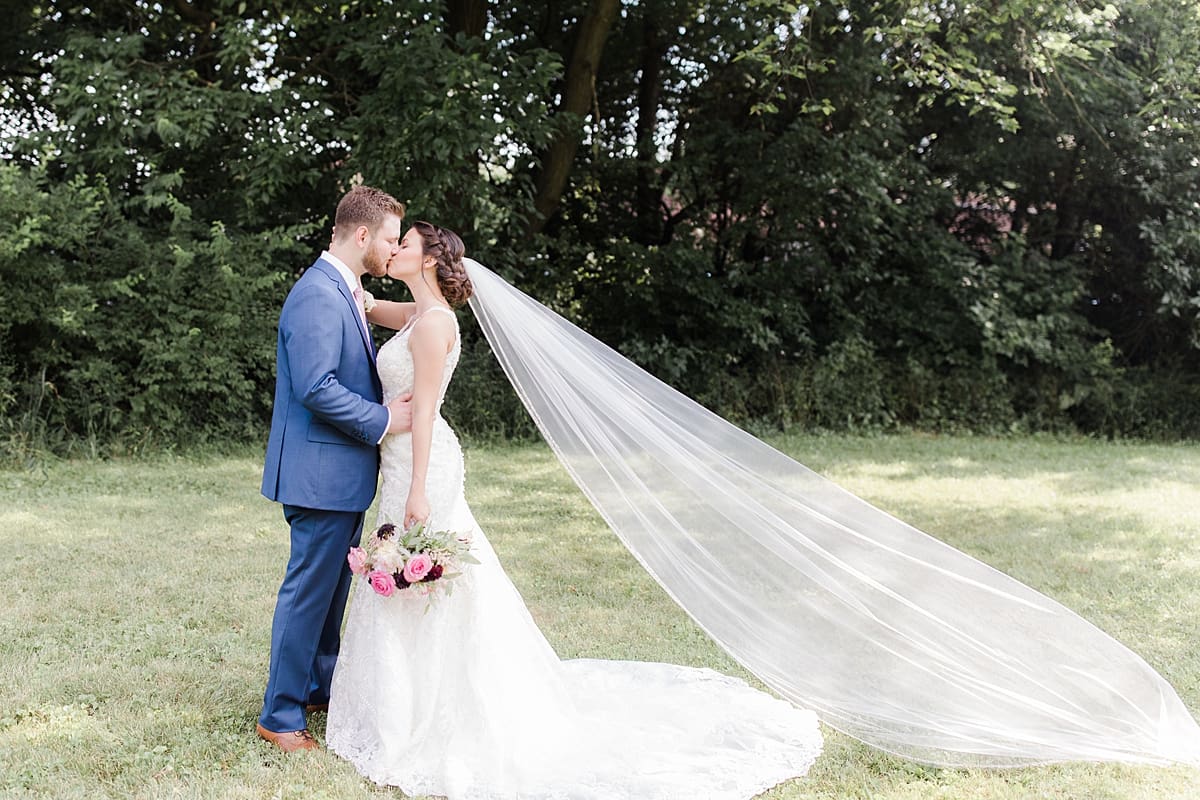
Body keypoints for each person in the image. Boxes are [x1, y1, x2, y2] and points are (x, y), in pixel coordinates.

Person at [324, 221, 823, 797]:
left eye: (405, 245)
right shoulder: (414, 314)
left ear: (431, 261)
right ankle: (403, 701)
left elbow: (428, 410)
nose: (395, 250)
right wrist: (342, 271)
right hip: (401, 461)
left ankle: (437, 709)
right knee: (419, 580)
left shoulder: (435, 324)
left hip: (423, 465)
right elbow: (367, 303)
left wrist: (416, 491)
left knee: (436, 582)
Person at [256, 186, 415, 752]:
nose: (394, 251)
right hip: (319, 474)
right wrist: (383, 420)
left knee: (330, 593)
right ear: (364, 234)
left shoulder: (348, 290)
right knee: (308, 593)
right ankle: (279, 715)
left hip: (340, 474)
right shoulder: (319, 295)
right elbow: (317, 387)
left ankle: (317, 687)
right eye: (392, 239)